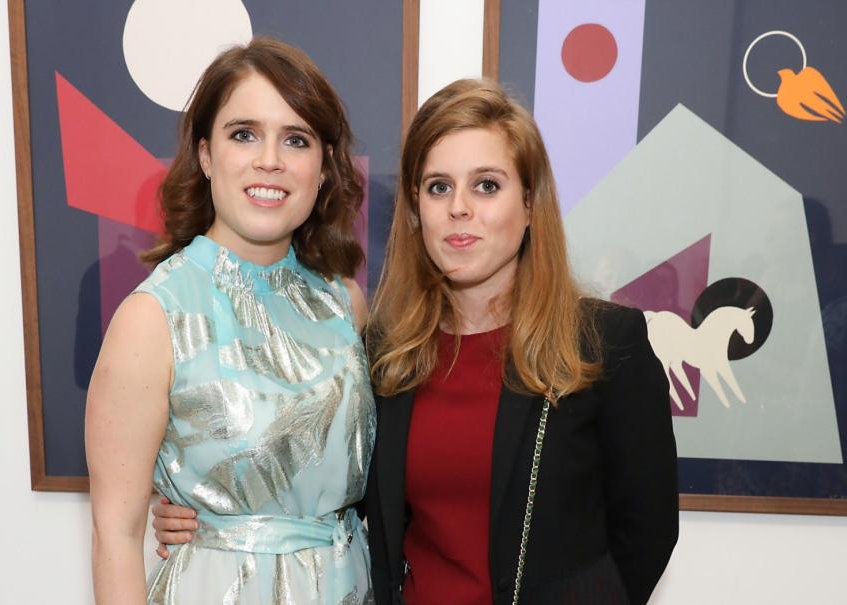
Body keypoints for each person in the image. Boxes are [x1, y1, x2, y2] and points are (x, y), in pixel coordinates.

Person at [153, 78, 679, 604]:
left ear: (530, 204)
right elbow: (338, 492)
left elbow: (647, 532)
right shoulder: (385, 351)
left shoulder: (606, 344)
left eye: (487, 185)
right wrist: (214, 514)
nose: (459, 209)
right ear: (415, 210)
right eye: (438, 187)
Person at [86, 37, 375, 605]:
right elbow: (114, 537)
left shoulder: (346, 303)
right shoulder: (153, 317)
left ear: (322, 169)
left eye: (296, 139)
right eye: (244, 134)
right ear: (204, 154)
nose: (269, 159)